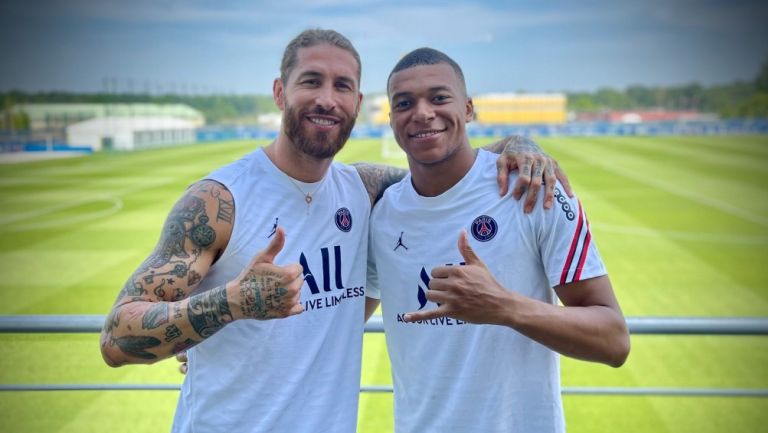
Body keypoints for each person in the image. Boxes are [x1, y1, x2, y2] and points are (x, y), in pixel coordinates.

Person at [99, 29, 568, 433]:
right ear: (280, 92)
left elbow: (448, 167)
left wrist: (518, 145)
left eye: (342, 85)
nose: (327, 98)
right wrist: (229, 304)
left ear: (357, 104)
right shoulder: (219, 201)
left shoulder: (364, 192)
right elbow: (116, 339)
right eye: (311, 82)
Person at [366, 47, 630, 433]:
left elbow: (614, 340)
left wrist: (503, 306)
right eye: (404, 103)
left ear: (468, 108)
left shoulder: (535, 188)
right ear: (390, 120)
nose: (422, 113)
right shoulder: (380, 215)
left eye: (439, 98)